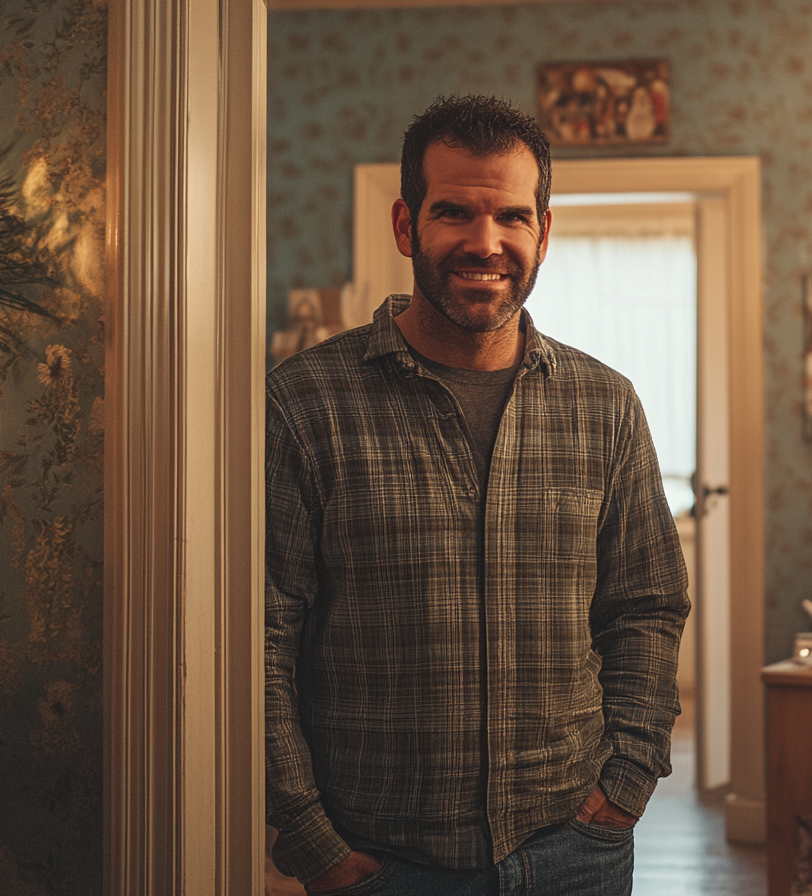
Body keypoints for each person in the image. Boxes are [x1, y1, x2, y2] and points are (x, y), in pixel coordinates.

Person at [265, 95, 690, 896]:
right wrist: (310, 837)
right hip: (379, 862)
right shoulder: (302, 404)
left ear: (544, 230)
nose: (484, 243)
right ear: (405, 224)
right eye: (454, 211)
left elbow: (647, 605)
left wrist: (627, 779)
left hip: (576, 851)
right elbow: (260, 632)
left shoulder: (606, 406)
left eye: (511, 217)